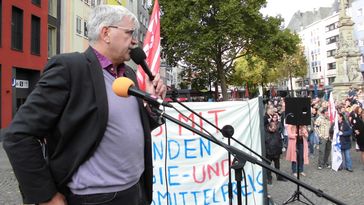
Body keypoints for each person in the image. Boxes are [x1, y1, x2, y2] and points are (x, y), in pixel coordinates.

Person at [2, 5, 167, 205]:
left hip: (136, 190)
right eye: (130, 33)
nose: (135, 41)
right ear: (106, 33)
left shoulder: (129, 75)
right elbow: (18, 135)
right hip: (95, 199)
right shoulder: (70, 69)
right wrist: (46, 197)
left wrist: (150, 100)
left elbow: (134, 127)